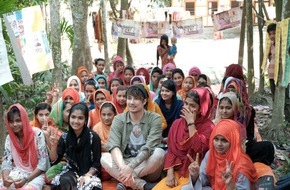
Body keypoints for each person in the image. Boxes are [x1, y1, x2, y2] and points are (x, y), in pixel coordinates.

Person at [101, 84, 165, 190]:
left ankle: (125, 181)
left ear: (144, 101)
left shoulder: (155, 119)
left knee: (159, 153)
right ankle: (142, 185)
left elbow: (149, 147)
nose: (131, 102)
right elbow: (114, 146)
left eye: (136, 99)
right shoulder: (118, 119)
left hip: (147, 163)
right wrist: (123, 167)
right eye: (129, 98)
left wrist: (130, 168)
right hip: (125, 162)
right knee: (104, 158)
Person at [153, 88, 214, 190]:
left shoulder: (208, 127)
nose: (187, 108)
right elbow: (171, 151)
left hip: (195, 175)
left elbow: (198, 148)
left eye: (193, 106)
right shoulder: (177, 124)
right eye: (186, 104)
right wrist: (170, 173)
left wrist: (191, 123)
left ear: (201, 109)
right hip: (176, 171)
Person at [182, 119, 258, 190]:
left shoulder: (242, 164)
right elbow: (203, 181)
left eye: (224, 140)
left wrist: (231, 186)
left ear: (234, 141)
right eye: (216, 139)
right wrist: (195, 176)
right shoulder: (211, 154)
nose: (219, 144)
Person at [49, 103, 102, 190]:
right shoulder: (65, 137)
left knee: (91, 187)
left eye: (80, 118)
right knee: (63, 183)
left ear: (85, 120)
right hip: (71, 171)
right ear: (69, 118)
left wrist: (87, 175)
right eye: (73, 117)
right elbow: (54, 160)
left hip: (90, 172)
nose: (76, 121)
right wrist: (53, 146)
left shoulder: (93, 137)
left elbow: (97, 163)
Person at [0, 104, 50, 189]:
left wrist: (26, 179)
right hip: (19, 172)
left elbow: (43, 164)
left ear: (24, 119)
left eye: (18, 120)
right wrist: (5, 177)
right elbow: (7, 161)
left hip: (37, 174)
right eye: (11, 122)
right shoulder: (10, 139)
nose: (15, 124)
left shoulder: (37, 134)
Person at [266, 23, 276, 100]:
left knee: (285, 98)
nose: (272, 36)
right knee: (274, 95)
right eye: (270, 34)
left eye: (274, 33)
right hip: (272, 74)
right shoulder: (270, 45)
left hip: (281, 75)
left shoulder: (283, 46)